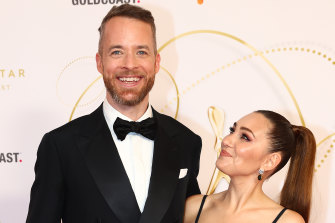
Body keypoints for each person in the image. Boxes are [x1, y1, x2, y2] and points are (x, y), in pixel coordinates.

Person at [26, 4, 202, 223]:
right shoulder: (61, 146)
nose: (130, 65)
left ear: (156, 62)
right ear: (100, 62)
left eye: (141, 52)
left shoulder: (187, 142)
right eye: (117, 52)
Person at [184, 110, 316, 223]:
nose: (226, 141)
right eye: (232, 130)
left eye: (245, 137)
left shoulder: (287, 221)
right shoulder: (193, 207)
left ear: (269, 161)